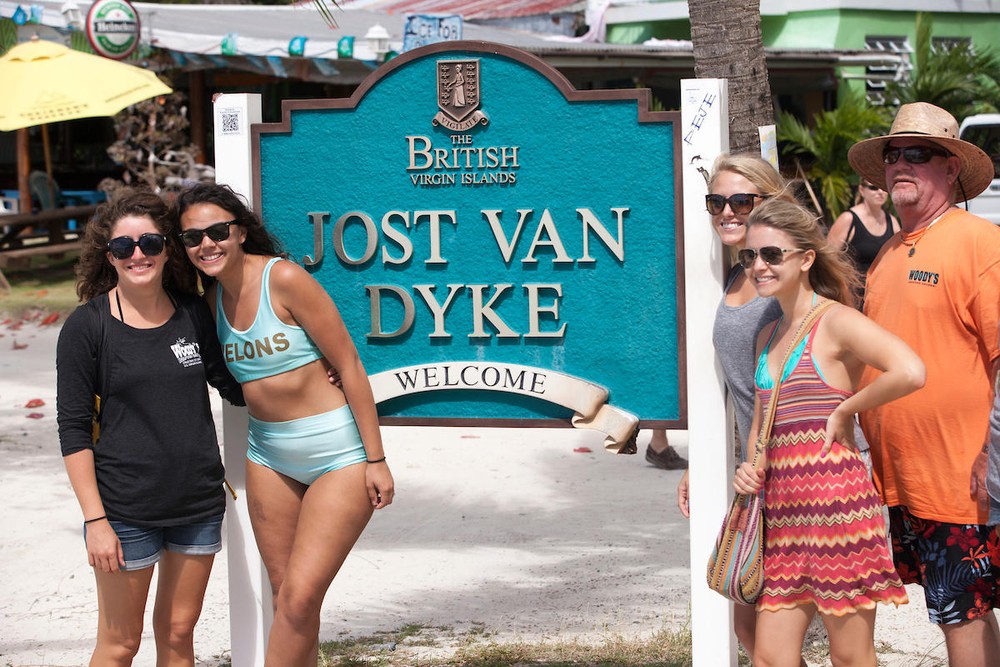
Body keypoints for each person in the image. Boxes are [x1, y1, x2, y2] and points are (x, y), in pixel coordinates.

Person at [173, 183, 395, 666]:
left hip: (337, 454)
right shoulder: (211, 305)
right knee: (287, 599)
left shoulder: (285, 279)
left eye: (217, 231)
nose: (206, 244)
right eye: (193, 238)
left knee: (297, 599)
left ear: (241, 231)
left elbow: (350, 365)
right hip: (268, 455)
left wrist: (376, 459)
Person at [55, 189, 245, 665]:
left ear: (167, 248)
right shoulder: (87, 327)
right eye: (123, 247)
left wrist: (307, 375)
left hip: (197, 504)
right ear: (109, 256)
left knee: (179, 635)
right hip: (124, 511)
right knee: (120, 644)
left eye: (150, 243)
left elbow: (232, 384)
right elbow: (74, 430)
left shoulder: (192, 313)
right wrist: (96, 521)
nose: (137, 254)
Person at [734, 197, 923, 666]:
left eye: (772, 254)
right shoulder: (768, 334)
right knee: (769, 657)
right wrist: (748, 468)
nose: (758, 265)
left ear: (805, 258)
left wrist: (846, 411)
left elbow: (911, 370)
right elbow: (762, 423)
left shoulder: (837, 321)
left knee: (850, 657)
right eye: (750, 256)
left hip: (838, 510)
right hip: (781, 516)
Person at [847, 101, 1000, 667]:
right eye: (893, 155)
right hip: (901, 479)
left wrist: (996, 454)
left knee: (962, 615)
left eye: (919, 154)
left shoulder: (979, 243)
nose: (901, 164)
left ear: (951, 168)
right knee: (963, 613)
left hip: (961, 477)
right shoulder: (886, 253)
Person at [675, 154, 789, 658]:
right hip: (757, 479)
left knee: (785, 638)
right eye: (716, 201)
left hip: (797, 472)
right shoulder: (740, 273)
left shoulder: (786, 276)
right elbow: (734, 386)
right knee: (751, 632)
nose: (728, 211)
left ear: (771, 201)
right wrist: (703, 460)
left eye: (742, 200)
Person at [826, 178, 899, 292]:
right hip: (853, 294)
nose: (880, 192)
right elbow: (827, 259)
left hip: (882, 292)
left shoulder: (892, 221)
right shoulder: (848, 219)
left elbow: (899, 259)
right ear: (861, 190)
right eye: (873, 188)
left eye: (883, 187)